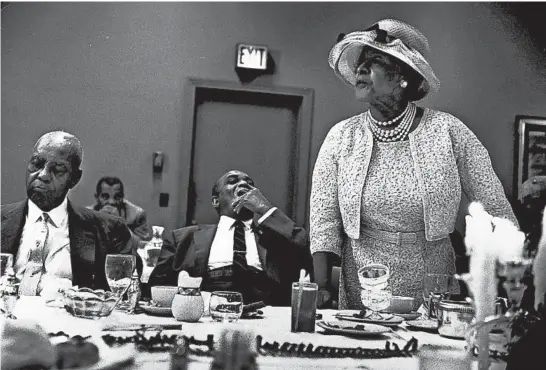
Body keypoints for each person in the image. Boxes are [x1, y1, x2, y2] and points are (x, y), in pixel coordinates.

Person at [310, 19, 517, 309]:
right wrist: (320, 289)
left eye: (374, 61)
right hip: (363, 284)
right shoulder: (341, 136)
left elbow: (495, 208)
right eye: (360, 63)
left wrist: (514, 279)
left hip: (432, 284)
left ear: (402, 77)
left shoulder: (448, 131)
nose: (361, 69)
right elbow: (324, 222)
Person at [1, 131, 136, 295]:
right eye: (36, 164)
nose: (43, 175)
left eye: (57, 170)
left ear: (75, 178)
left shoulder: (109, 229)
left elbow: (126, 293)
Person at [149, 170, 311, 306]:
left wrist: (266, 209)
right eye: (232, 181)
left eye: (250, 183)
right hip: (204, 311)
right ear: (215, 201)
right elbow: (156, 288)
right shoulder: (182, 238)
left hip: (264, 311)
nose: (243, 184)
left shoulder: (274, 237)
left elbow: (303, 246)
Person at [88, 176, 153, 242]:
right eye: (105, 197)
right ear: (97, 197)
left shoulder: (136, 214)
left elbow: (141, 245)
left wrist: (120, 225)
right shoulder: (86, 215)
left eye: (117, 197)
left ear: (123, 197)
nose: (111, 202)